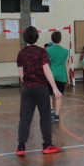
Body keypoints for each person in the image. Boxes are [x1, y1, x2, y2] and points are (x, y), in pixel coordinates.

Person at [16, 26, 63, 156]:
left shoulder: (21, 53)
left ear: (24, 38)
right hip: (41, 88)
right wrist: (55, 88)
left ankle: (21, 147)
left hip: (27, 89)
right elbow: (47, 71)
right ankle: (47, 145)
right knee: (45, 117)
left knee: (25, 118)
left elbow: (21, 75)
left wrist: (27, 85)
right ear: (37, 37)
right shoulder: (42, 52)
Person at [46, 31, 71, 123]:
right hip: (61, 75)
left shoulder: (48, 50)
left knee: (49, 94)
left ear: (51, 39)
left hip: (51, 75)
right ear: (61, 39)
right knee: (59, 96)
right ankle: (57, 116)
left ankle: (50, 111)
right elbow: (66, 64)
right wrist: (68, 77)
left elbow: (46, 64)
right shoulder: (65, 51)